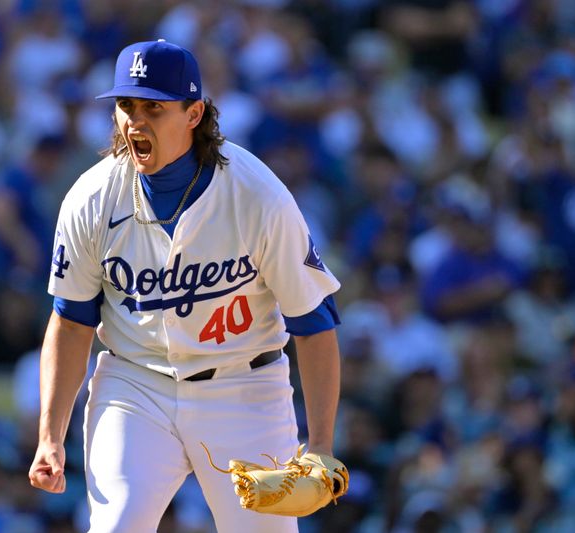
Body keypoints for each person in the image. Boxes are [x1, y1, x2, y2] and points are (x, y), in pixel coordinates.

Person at [27, 39, 345, 533]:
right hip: (137, 385)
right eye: (126, 105)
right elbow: (70, 322)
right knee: (118, 526)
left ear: (194, 113)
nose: (135, 120)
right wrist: (50, 435)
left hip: (244, 387)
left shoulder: (257, 195)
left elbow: (313, 321)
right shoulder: (91, 198)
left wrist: (321, 445)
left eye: (154, 106)